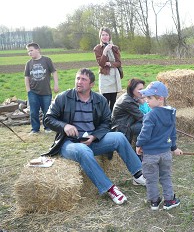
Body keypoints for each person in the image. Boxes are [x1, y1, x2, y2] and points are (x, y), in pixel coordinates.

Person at [43, 68, 146, 205]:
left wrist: (94, 136)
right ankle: (110, 188)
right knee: (83, 150)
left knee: (119, 137)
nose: (79, 82)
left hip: (92, 140)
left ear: (91, 84)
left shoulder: (100, 100)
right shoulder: (63, 97)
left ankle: (138, 175)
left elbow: (106, 123)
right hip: (69, 143)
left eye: (83, 79)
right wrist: (64, 126)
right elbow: (48, 119)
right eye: (78, 78)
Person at [135, 81, 183, 210]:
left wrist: (139, 145)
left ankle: (154, 201)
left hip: (150, 154)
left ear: (160, 99)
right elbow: (172, 133)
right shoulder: (171, 113)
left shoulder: (150, 115)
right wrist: (174, 147)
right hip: (166, 153)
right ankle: (169, 200)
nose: (146, 101)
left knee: (151, 179)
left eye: (149, 98)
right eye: (146, 97)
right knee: (165, 176)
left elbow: (145, 134)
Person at [24, 42, 59, 134]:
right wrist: (28, 90)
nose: (29, 53)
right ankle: (35, 129)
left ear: (37, 50)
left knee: (47, 111)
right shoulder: (28, 63)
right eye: (28, 51)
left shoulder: (47, 60)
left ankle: (47, 127)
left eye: (31, 50)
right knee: (33, 111)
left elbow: (54, 72)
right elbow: (26, 77)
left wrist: (56, 84)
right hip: (33, 92)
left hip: (46, 91)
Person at [93, 27, 123, 112]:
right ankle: (105, 118)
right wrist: (105, 51)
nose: (105, 37)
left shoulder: (115, 48)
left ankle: (112, 118)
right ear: (100, 36)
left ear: (110, 36)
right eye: (103, 35)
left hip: (114, 75)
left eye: (106, 34)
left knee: (113, 100)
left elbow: (119, 63)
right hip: (105, 76)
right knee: (105, 100)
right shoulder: (97, 48)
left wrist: (110, 64)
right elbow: (101, 64)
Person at [111, 78, 148, 143]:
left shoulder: (133, 97)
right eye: (140, 89)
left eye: (143, 89)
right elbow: (142, 117)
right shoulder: (127, 101)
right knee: (145, 126)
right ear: (132, 89)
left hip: (128, 123)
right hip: (122, 128)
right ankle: (137, 149)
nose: (142, 91)